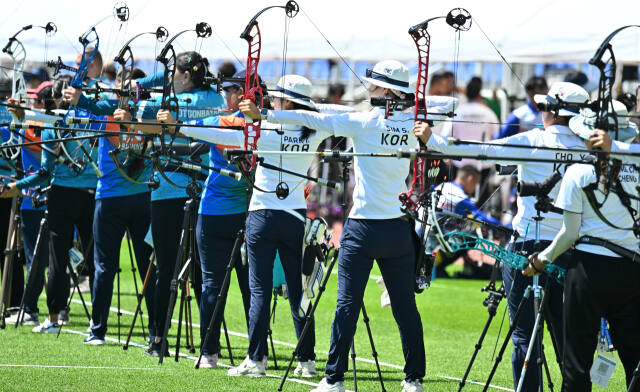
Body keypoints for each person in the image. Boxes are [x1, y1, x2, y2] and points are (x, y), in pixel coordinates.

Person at [240, 60, 456, 392]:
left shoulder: (365, 122)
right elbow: (448, 107)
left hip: (364, 230)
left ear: (385, 91)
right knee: (405, 308)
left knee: (346, 305)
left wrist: (266, 115)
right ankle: (413, 380)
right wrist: (418, 110)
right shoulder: (416, 123)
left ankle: (334, 379)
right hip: (398, 230)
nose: (367, 89)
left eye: (373, 85)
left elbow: (314, 118)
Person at [415, 81, 590, 391]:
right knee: (568, 336)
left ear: (552, 112)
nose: (540, 112)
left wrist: (434, 139)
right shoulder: (590, 148)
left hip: (525, 250)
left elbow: (482, 151)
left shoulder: (533, 139)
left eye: (544, 107)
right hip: (569, 251)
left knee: (524, 336)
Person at [159, 74, 324, 377]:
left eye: (277, 99)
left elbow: (220, 134)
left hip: (262, 215)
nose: (271, 102)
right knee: (298, 289)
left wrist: (177, 126)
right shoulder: (314, 130)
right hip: (295, 217)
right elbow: (335, 117)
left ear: (287, 102)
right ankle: (307, 360)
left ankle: (256, 360)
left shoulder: (260, 130)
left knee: (259, 290)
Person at [114, 51, 226, 357]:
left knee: (166, 269)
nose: (169, 79)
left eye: (173, 73)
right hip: (201, 193)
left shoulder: (157, 104)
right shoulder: (214, 100)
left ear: (186, 75)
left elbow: (140, 118)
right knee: (203, 271)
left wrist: (131, 107)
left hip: (169, 193)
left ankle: (158, 339)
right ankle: (208, 346)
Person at [525, 101, 640, 392]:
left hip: (587, 271)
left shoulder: (578, 171)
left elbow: (570, 233)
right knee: (636, 359)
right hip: (631, 270)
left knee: (576, 364)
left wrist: (542, 259)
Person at [6, 75, 98, 333]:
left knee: (58, 257)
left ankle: (55, 319)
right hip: (92, 195)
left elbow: (45, 172)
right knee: (94, 260)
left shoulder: (52, 124)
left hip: (62, 196)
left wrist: (16, 186)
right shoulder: (92, 120)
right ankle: (97, 322)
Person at [0, 82, 54, 326]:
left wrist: (20, 115)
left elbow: (33, 138)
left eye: (36, 102)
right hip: (41, 199)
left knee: (37, 258)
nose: (32, 105)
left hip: (36, 199)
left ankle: (30, 309)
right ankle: (53, 309)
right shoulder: (44, 123)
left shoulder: (48, 127)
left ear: (44, 105)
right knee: (44, 258)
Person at [440, 76, 499, 168]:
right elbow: (497, 137)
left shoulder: (457, 112)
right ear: (479, 93)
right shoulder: (489, 113)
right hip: (483, 165)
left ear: (466, 93)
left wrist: (447, 159)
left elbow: (444, 137)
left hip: (460, 164)